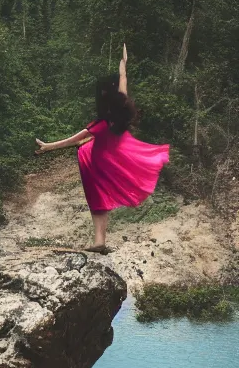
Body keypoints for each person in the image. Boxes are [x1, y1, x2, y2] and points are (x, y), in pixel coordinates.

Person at [35, 44, 170, 254]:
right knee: (100, 201)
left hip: (96, 165)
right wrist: (123, 64)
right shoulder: (122, 112)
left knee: (97, 201)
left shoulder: (101, 123)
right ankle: (100, 241)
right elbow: (123, 83)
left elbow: (71, 140)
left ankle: (99, 241)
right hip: (114, 161)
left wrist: (48, 146)